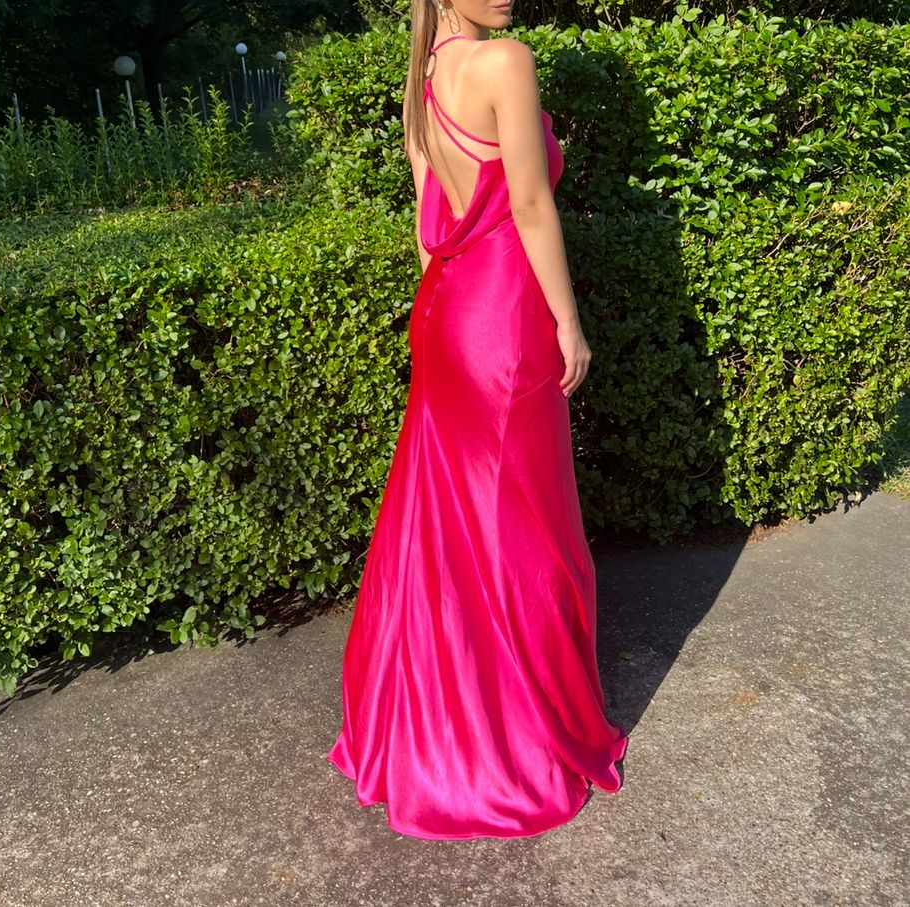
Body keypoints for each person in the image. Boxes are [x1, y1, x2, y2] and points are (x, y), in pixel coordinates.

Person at [325, 0, 629, 840]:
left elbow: (427, 234)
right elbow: (529, 204)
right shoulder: (505, 61)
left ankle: (425, 727)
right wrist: (566, 321)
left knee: (446, 523)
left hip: (446, 310)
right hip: (502, 318)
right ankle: (504, 745)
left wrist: (439, 321)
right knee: (517, 531)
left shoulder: (423, 78)